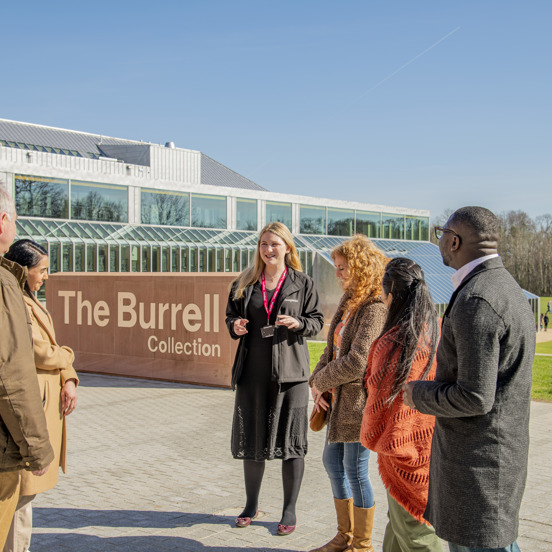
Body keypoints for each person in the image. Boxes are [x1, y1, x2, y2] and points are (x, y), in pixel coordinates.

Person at [404, 206, 536, 552]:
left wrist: (416, 393)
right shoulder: (502, 285)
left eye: (441, 235)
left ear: (454, 240)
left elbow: (475, 397)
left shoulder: (478, 298)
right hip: (491, 460)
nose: (440, 243)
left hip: (478, 468)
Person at [225, 222, 324, 536]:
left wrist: (298, 322)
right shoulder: (244, 282)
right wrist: (235, 324)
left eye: (275, 244)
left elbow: (317, 322)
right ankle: (251, 505)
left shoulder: (302, 283)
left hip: (291, 376)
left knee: (291, 445)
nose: (269, 250)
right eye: (264, 244)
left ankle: (289, 510)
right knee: (253, 442)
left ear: (288, 248)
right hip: (252, 374)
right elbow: (230, 315)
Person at [308, 235, 388, 552]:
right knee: (332, 462)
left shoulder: (375, 308)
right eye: (337, 267)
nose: (337, 274)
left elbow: (357, 361)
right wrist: (317, 381)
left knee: (356, 471)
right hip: (340, 402)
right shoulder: (348, 302)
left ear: (361, 268)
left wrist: (322, 381)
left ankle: (362, 545)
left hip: (359, 404)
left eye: (343, 268)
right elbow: (331, 349)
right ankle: (345, 536)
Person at [360, 258, 442, 552]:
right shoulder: (436, 332)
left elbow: (377, 400)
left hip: (401, 454)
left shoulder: (393, 342)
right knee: (398, 528)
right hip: (434, 449)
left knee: (417, 536)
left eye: (383, 295)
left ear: (391, 295)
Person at [3, 240, 79, 552]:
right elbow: (39, 351)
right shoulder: (14, 300)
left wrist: (69, 377)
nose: (46, 276)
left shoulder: (28, 297)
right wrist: (68, 357)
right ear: (24, 269)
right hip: (25, 414)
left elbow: (50, 350)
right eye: (42, 270)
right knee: (20, 500)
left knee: (24, 500)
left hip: (41, 408)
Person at [0, 187, 54, 549]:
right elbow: (11, 376)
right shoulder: (5, 285)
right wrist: (38, 448)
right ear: (3, 220)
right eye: (14, 219)